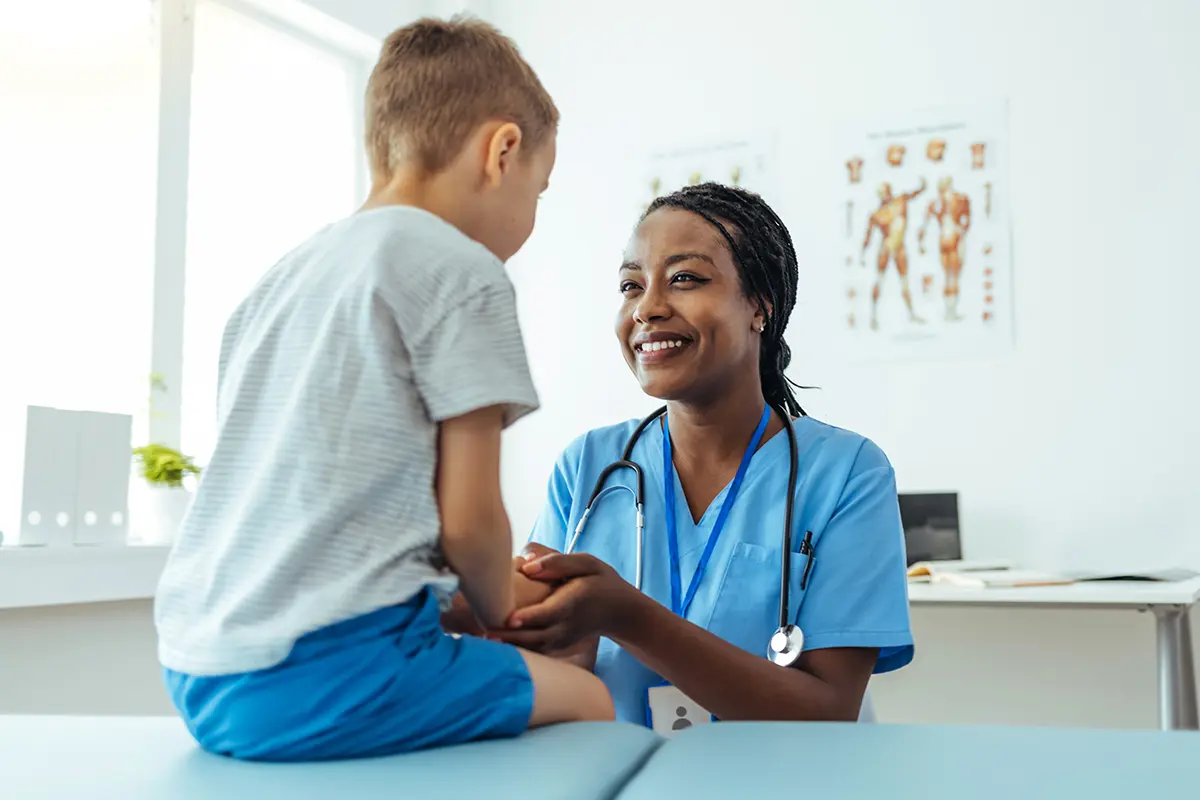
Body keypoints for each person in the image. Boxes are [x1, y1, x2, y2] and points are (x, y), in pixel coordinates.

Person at [152, 16, 612, 762]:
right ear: (503, 152)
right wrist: (502, 612)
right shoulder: (462, 272)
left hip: (198, 670)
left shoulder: (284, 278)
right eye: (540, 189)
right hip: (325, 669)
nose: (532, 216)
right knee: (588, 700)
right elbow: (470, 523)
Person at [492, 183, 914, 728]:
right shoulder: (589, 466)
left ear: (760, 304)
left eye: (685, 278)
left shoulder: (847, 472)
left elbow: (829, 711)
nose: (647, 308)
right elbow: (542, 652)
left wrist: (628, 617)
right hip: (620, 779)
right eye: (630, 285)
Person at [861, 179, 926, 329]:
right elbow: (868, 237)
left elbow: (913, 194)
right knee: (880, 280)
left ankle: (911, 313)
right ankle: (873, 315)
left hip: (899, 248)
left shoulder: (900, 202)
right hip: (886, 248)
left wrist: (923, 186)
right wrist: (863, 254)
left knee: (904, 282)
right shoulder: (877, 215)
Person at [918, 176, 972, 321]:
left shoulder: (960, 199)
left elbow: (966, 219)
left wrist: (961, 231)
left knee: (953, 275)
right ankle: (950, 310)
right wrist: (921, 239)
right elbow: (925, 221)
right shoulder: (937, 203)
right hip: (946, 240)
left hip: (954, 237)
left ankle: (952, 309)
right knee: (950, 275)